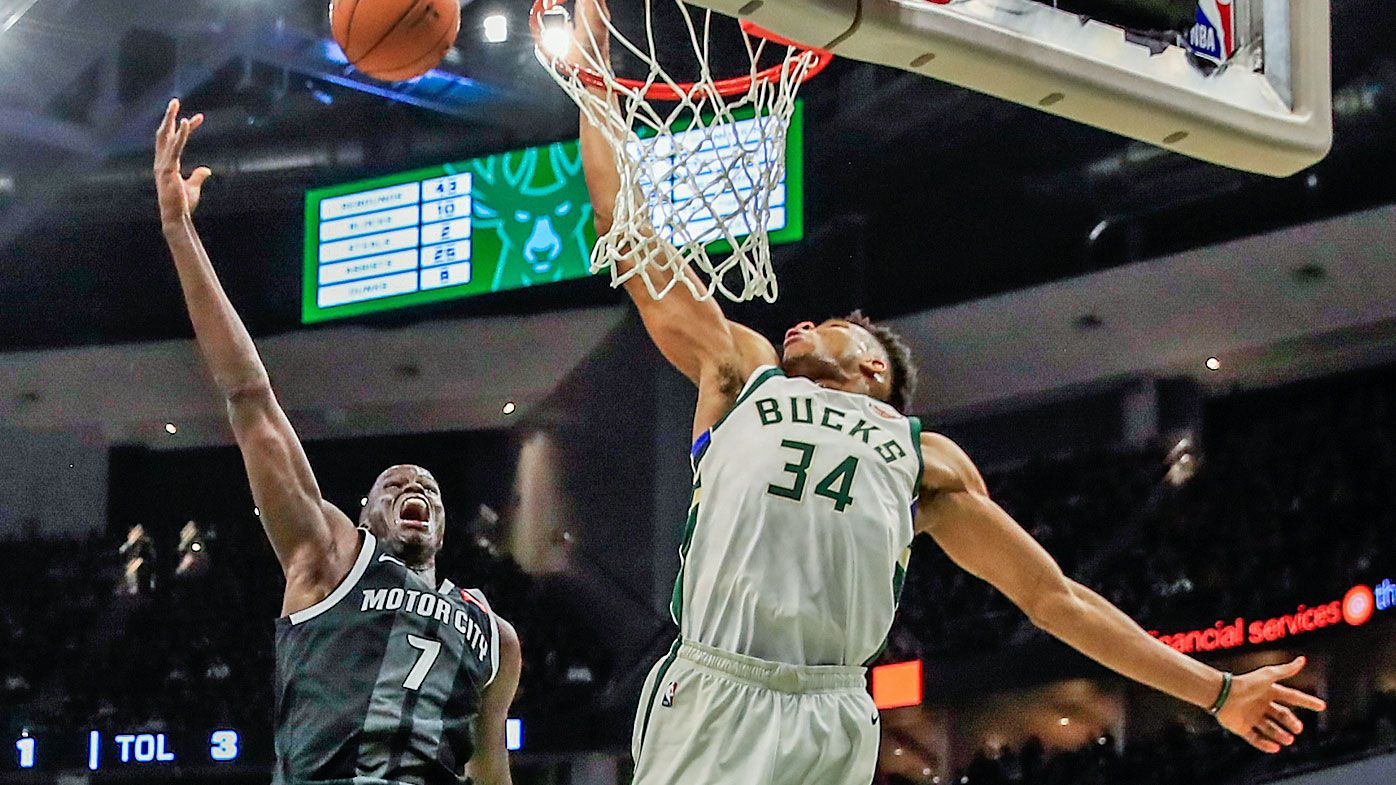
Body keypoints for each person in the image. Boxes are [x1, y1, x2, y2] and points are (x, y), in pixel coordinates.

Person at [568, 4, 1327, 783]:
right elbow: (630, 235)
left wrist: (1217, 689)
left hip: (832, 707)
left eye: (833, 325)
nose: (800, 322)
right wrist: (595, 87)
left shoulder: (923, 459)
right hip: (716, 683)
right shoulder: (741, 372)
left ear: (874, 372)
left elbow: (1056, 599)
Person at [153, 99, 519, 785]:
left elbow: (490, 767)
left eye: (429, 489)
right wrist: (180, 231)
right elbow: (249, 397)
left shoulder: (492, 634)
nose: (415, 488)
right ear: (365, 515)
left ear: (442, 522)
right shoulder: (328, 555)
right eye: (395, 485)